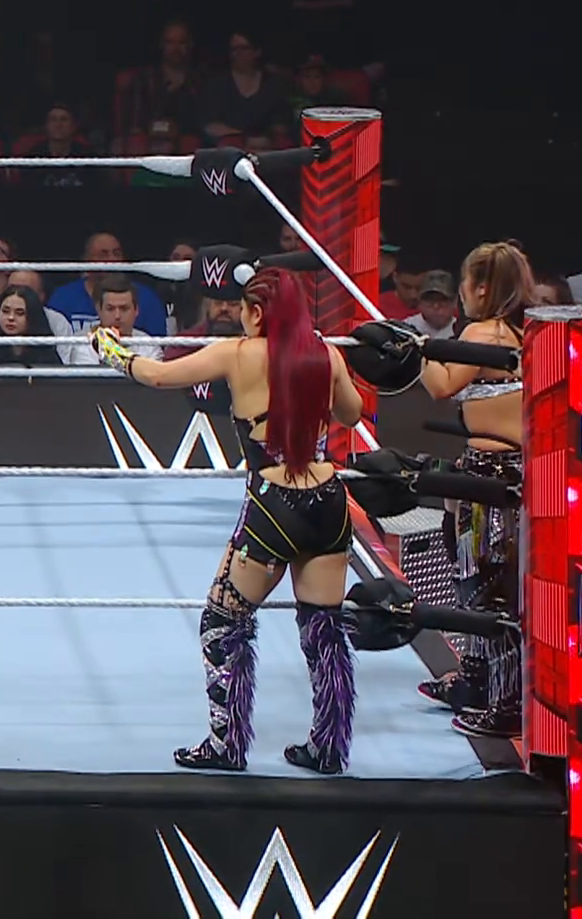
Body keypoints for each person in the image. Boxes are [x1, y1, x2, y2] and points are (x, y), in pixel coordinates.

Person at [93, 268, 366, 773]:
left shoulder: (237, 354)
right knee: (323, 626)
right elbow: (352, 413)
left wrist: (109, 349)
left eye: (242, 307)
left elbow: (157, 375)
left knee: (222, 620)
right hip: (328, 500)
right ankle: (329, 747)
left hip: (274, 503)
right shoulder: (326, 355)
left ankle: (227, 744)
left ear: (257, 312)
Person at [413, 241, 533, 738]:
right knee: (476, 579)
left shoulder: (484, 333)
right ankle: (478, 680)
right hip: (495, 470)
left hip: (492, 476)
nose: (461, 294)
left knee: (487, 585)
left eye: (464, 283)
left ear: (481, 287)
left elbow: (441, 385)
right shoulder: (519, 334)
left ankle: (504, 703)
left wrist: (415, 348)